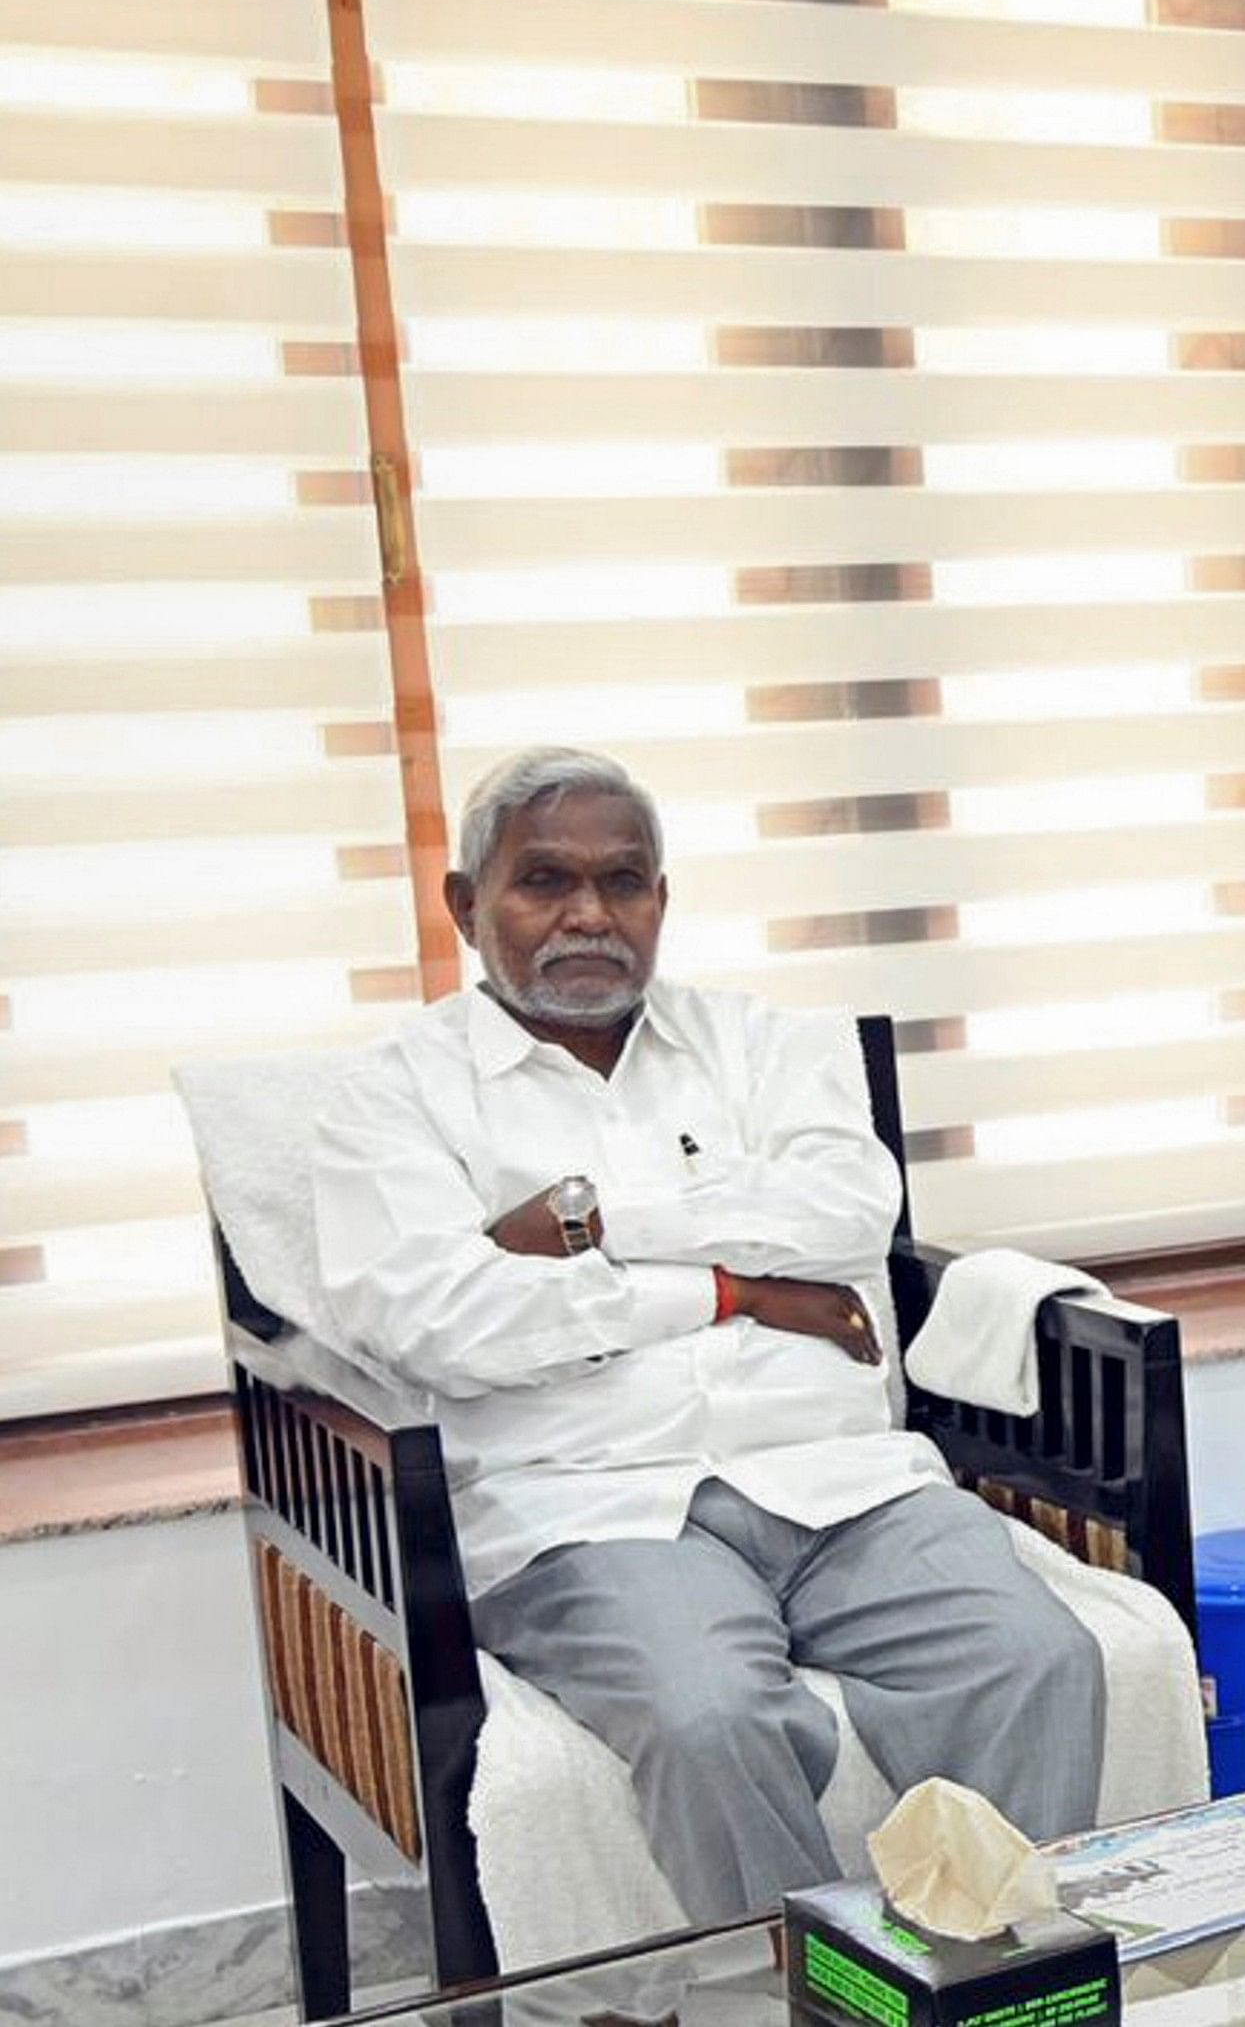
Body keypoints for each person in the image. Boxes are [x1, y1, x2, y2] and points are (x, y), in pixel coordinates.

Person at [310, 746, 1103, 1923]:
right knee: (708, 1716)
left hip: (845, 1483)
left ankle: (989, 1977)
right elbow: (443, 1318)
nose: (589, 914)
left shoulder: (770, 1046)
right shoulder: (391, 1094)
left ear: (662, 901)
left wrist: (587, 1224)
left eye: (623, 881)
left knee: (1040, 1657)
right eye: (544, 882)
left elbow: (847, 1212)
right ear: (468, 905)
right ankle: (784, 2001)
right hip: (593, 1505)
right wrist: (739, 1291)